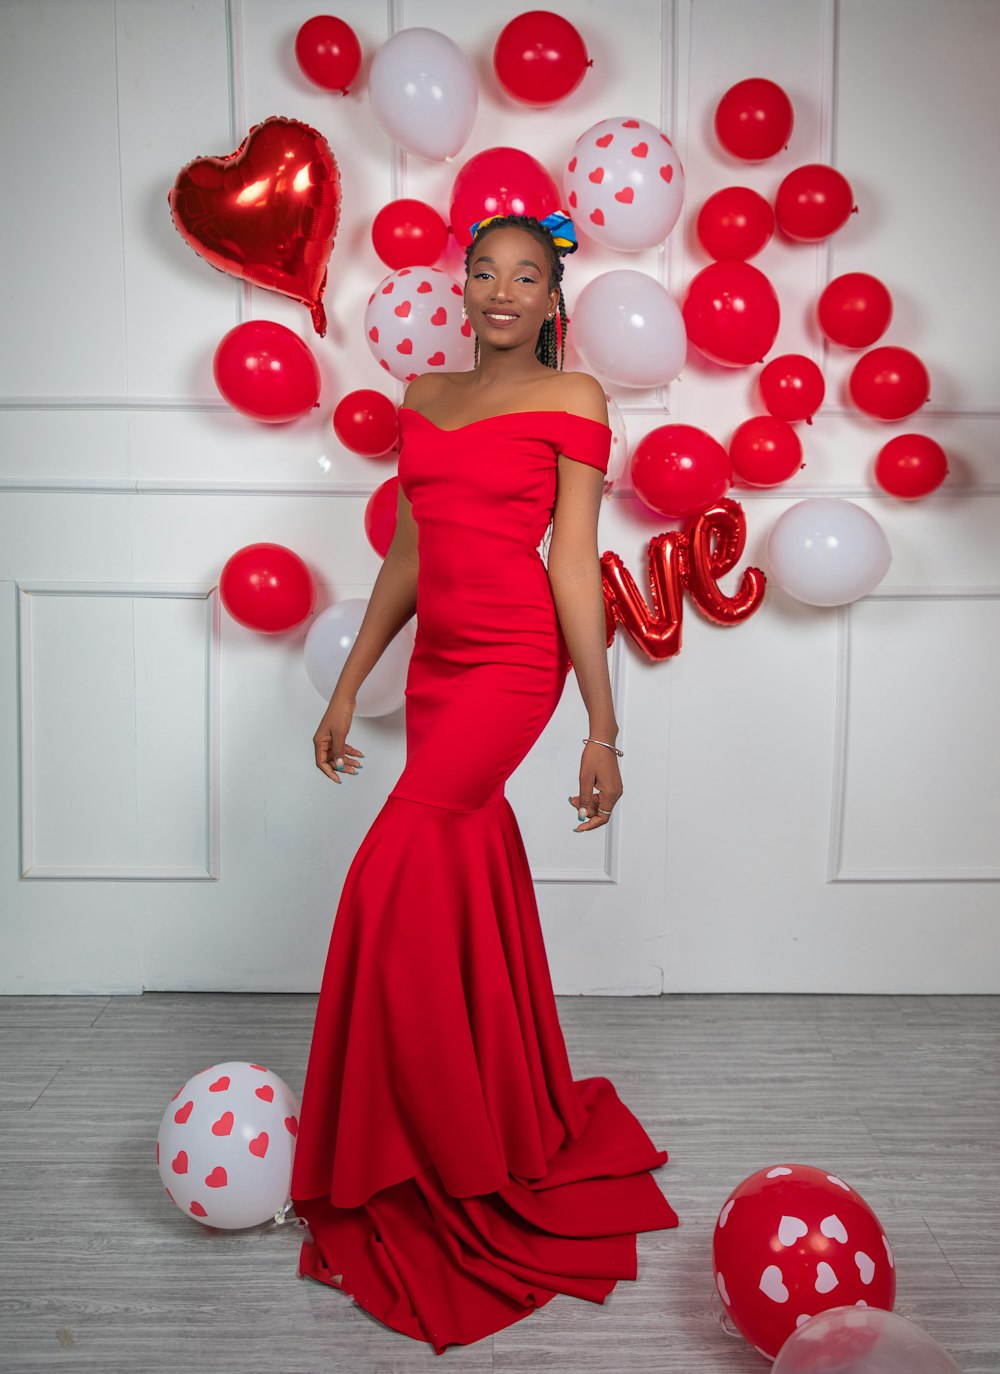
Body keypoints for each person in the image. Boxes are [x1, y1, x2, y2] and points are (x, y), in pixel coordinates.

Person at [290, 211, 678, 1354]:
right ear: (458, 290)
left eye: (524, 277)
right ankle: (488, 1101)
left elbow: (570, 562)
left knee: (388, 876)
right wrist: (349, 681)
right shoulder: (422, 396)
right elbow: (408, 552)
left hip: (512, 663)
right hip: (434, 667)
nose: (500, 292)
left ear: (551, 299)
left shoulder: (576, 402)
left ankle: (424, 1144)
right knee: (455, 870)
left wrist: (601, 727)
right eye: (483, 273)